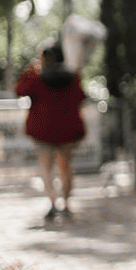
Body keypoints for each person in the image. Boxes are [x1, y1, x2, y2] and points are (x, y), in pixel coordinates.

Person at [15, 42, 87, 221]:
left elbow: (20, 90)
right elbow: (81, 97)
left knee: (46, 168)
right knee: (66, 167)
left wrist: (28, 71)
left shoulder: (35, 77)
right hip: (68, 130)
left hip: (43, 131)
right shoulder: (73, 76)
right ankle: (66, 204)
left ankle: (53, 202)